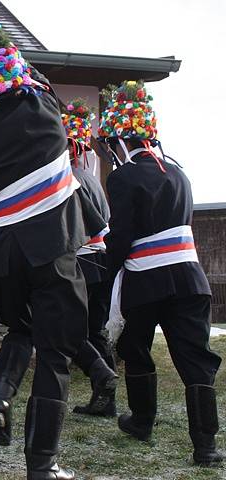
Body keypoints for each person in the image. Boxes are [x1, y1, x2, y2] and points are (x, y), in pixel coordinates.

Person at [0, 21, 105, 480]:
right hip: (52, 252)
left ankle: (0, 395)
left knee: (21, 332)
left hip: (3, 260)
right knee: (56, 354)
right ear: (16, 75)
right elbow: (39, 80)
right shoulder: (46, 111)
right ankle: (42, 465)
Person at [99, 80, 223, 466]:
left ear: (120, 139)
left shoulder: (123, 176)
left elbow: (120, 239)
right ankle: (206, 446)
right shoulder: (179, 173)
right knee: (194, 357)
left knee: (135, 348)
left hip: (147, 280)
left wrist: (104, 275)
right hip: (189, 278)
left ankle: (142, 421)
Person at [62, 99, 118, 417]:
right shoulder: (92, 177)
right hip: (100, 261)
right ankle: (106, 396)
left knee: (79, 333)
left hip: (83, 262)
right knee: (94, 331)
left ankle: (103, 388)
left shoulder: (70, 179)